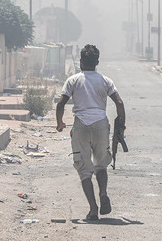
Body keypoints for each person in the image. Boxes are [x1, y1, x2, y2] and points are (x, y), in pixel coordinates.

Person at [56, 44, 126, 221]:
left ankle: (93, 209)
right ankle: (103, 192)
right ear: (97, 62)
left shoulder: (73, 80)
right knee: (101, 164)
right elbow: (119, 103)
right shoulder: (105, 80)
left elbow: (61, 103)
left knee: (84, 169)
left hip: (81, 125)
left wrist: (60, 123)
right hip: (101, 124)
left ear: (81, 62)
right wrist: (121, 127)